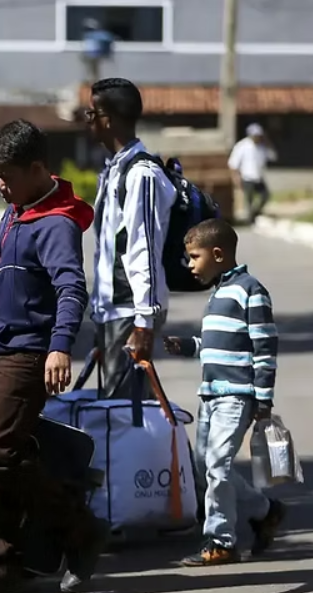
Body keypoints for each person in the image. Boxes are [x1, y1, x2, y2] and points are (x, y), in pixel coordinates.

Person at [0, 119, 107, 593]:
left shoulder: (55, 222)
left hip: (28, 353)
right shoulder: (16, 211)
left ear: (37, 169)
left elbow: (70, 288)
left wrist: (60, 345)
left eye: (7, 175)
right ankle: (1, 564)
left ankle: (79, 530)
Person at [163, 218, 286, 566]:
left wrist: (263, 398)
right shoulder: (218, 293)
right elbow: (218, 344)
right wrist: (188, 346)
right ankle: (266, 511)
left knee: (217, 464)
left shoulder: (251, 290)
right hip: (211, 394)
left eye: (194, 257)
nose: (190, 265)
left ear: (218, 254)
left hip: (237, 394)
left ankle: (221, 539)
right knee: (208, 467)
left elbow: (264, 347)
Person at [84, 78, 177, 399]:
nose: (88, 120)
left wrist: (144, 322)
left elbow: (144, 248)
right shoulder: (115, 170)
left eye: (91, 113)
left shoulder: (141, 174)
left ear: (107, 118)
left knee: (125, 411)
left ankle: (168, 451)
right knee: (119, 408)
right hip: (113, 309)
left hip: (130, 310)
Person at [228, 123, 277, 224]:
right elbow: (233, 163)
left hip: (258, 177)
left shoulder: (262, 146)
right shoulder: (242, 146)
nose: (257, 138)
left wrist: (268, 143)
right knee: (249, 199)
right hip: (247, 177)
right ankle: (250, 219)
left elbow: (273, 157)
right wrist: (236, 178)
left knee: (265, 195)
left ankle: (255, 213)